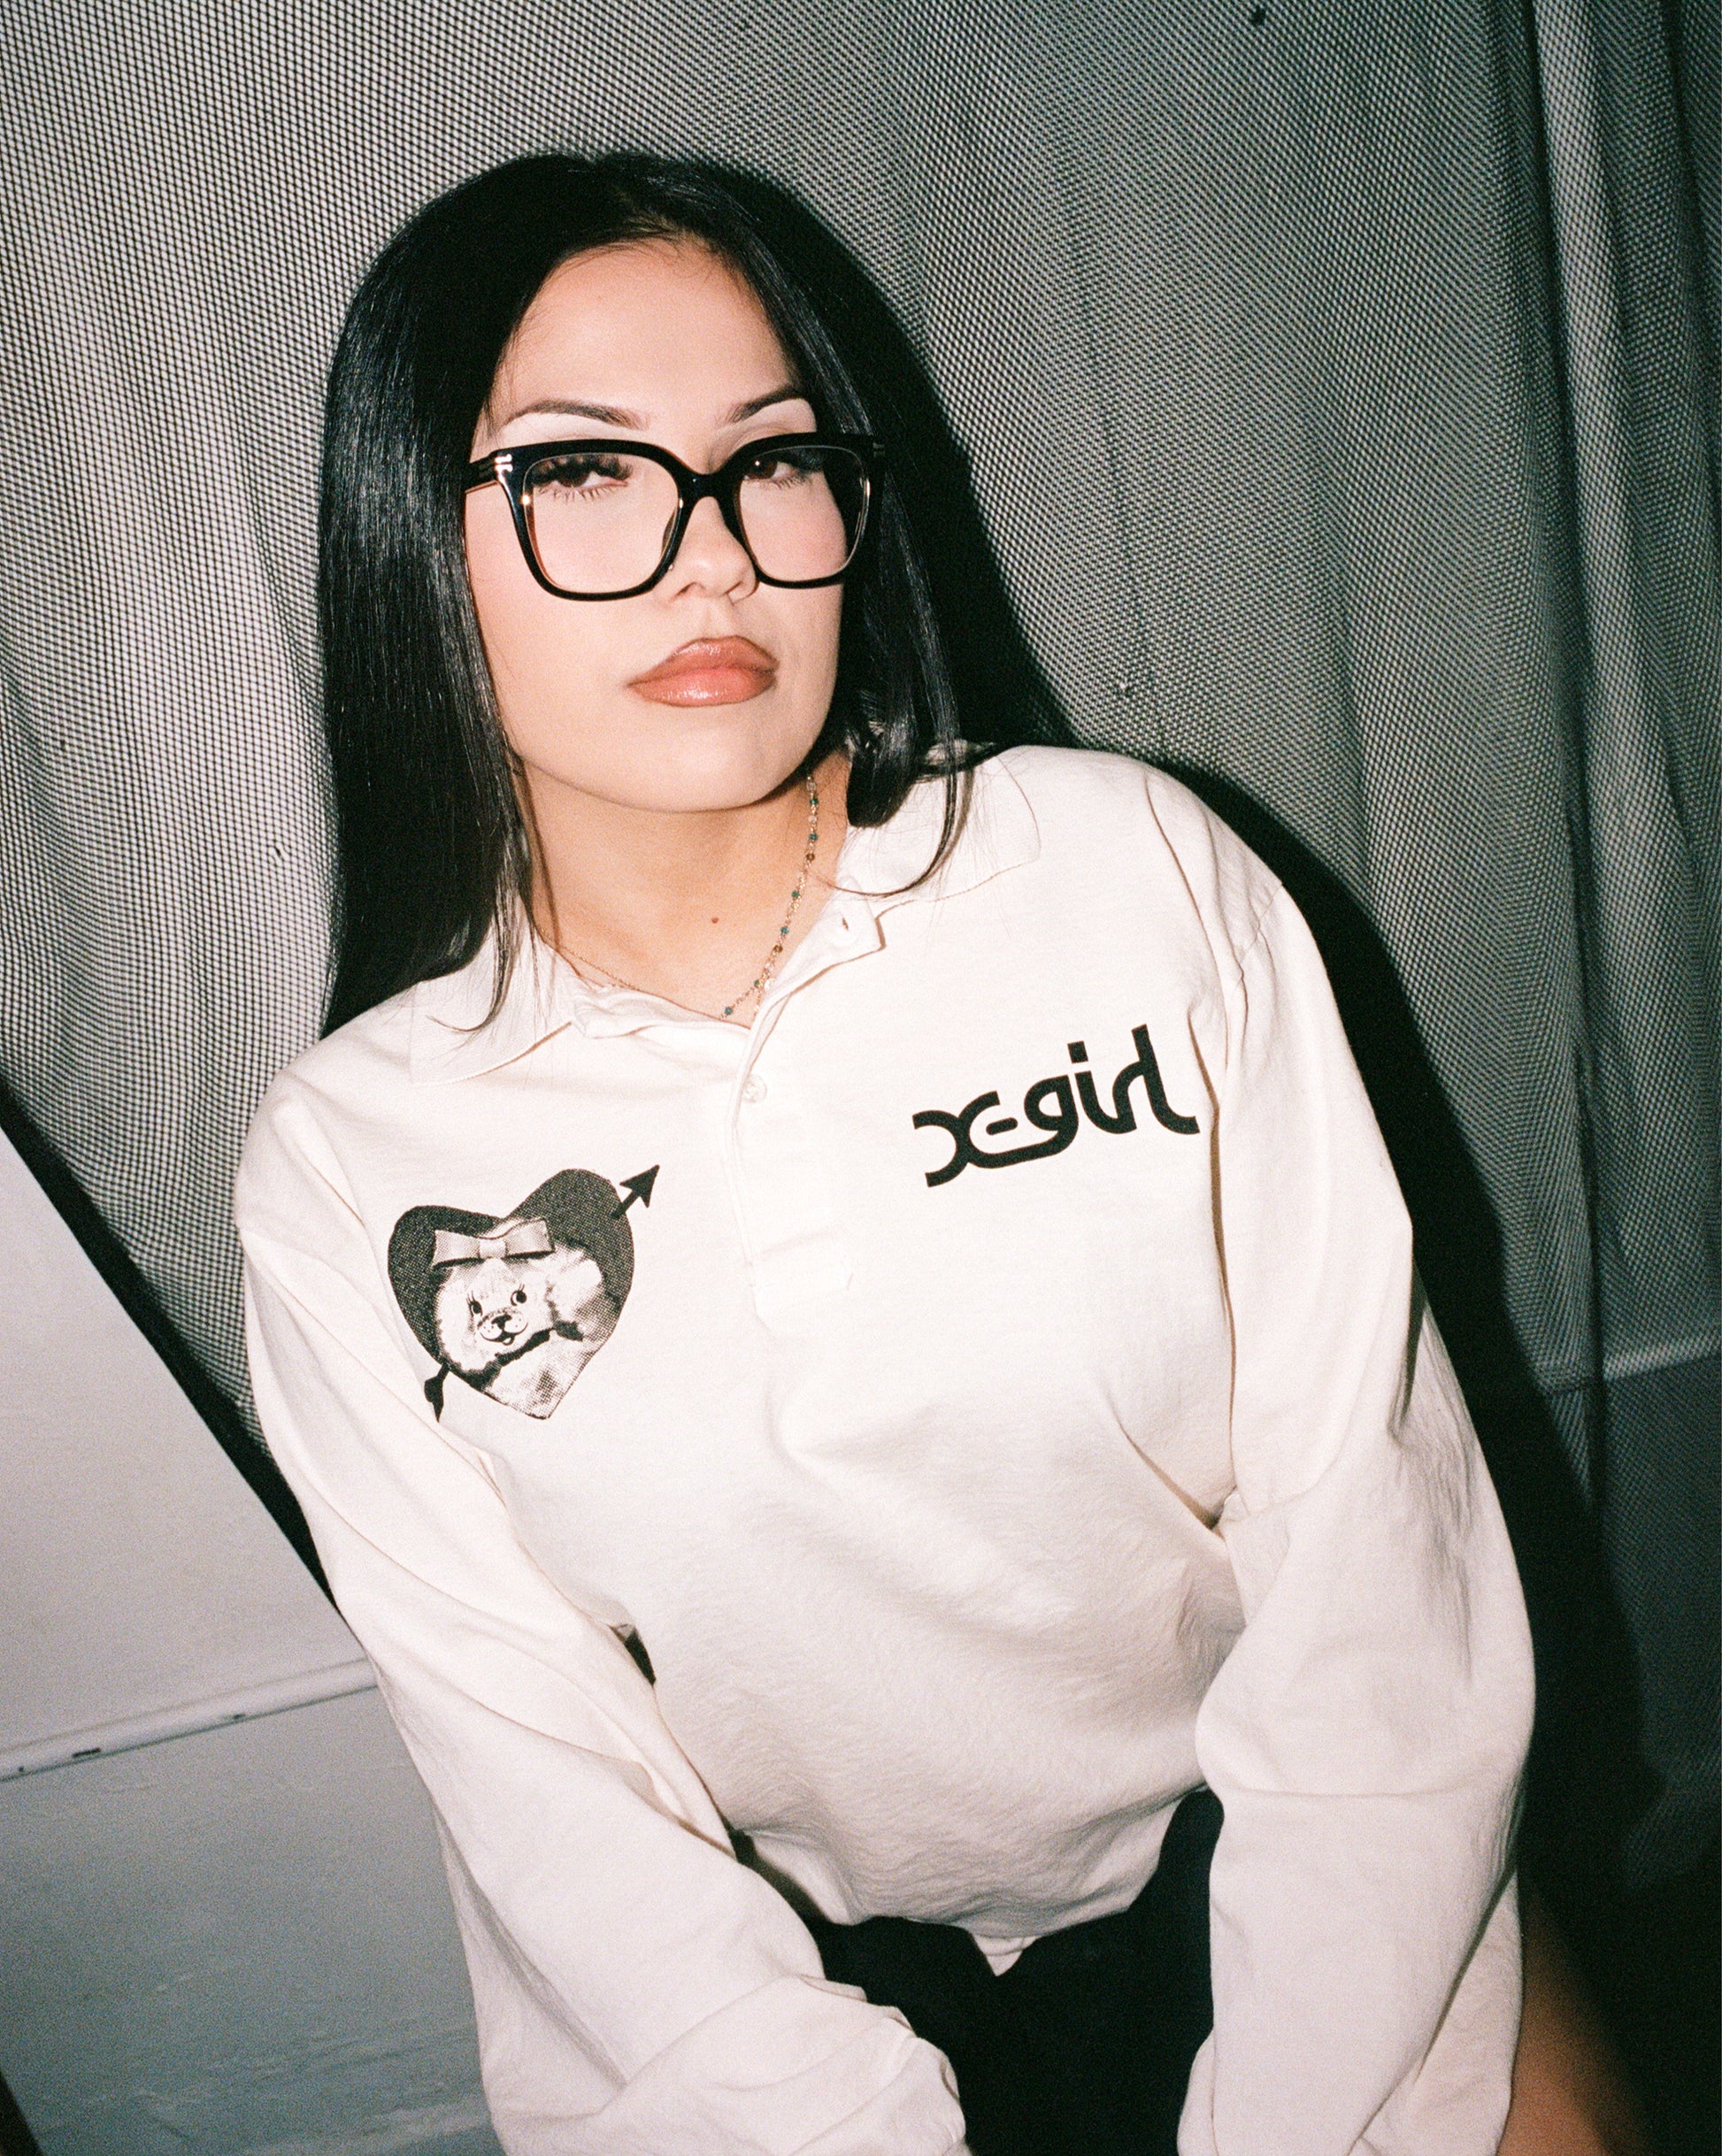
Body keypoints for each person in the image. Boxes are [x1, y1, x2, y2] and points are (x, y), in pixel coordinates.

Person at [234, 152, 1624, 2155]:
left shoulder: (1127, 874)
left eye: (773, 460)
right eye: (585, 470)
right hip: (785, 2001)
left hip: (1290, 1876)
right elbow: (554, 1802)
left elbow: (1372, 1553)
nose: (714, 555)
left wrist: (1287, 2096)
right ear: (406, 541)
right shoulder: (348, 1162)